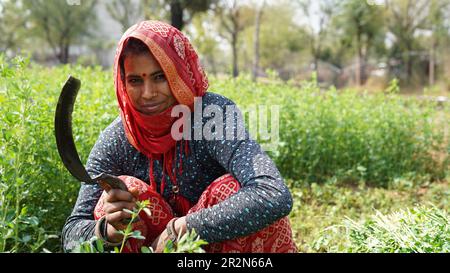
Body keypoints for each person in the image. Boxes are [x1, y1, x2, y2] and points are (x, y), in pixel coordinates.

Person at [62, 20, 297, 253]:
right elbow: (71, 233)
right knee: (117, 197)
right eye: (135, 80)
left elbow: (272, 193)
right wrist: (106, 232)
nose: (148, 93)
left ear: (180, 73)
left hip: (215, 247)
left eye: (159, 77)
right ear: (122, 83)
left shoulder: (211, 116)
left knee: (232, 189)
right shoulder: (118, 139)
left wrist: (182, 228)